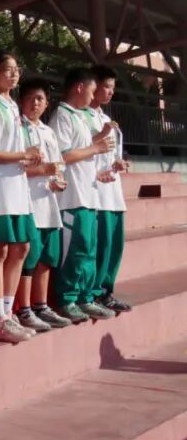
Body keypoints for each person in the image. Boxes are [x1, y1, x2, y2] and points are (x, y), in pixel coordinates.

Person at [0, 51, 38, 343]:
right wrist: (23, 154)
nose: (13, 74)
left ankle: (7, 311)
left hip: (17, 186)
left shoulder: (12, 105)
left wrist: (26, 159)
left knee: (22, 248)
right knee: (0, 250)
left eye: (16, 69)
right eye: (6, 70)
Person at [50, 67, 118, 322]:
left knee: (89, 249)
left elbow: (84, 150)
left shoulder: (78, 116)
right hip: (71, 197)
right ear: (79, 87)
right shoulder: (62, 116)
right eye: (91, 89)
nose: (93, 95)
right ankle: (67, 299)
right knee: (75, 249)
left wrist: (98, 165)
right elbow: (62, 155)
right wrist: (95, 147)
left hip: (88, 195)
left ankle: (85, 297)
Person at [16, 78, 72, 331]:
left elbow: (57, 165)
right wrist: (42, 171)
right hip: (28, 201)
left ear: (47, 103)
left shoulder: (48, 132)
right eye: (30, 98)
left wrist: (57, 180)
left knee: (47, 256)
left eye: (40, 99)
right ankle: (24, 309)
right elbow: (16, 168)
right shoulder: (18, 129)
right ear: (21, 101)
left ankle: (41, 306)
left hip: (49, 202)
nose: (35, 103)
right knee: (30, 257)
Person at [87, 65, 132, 313]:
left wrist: (118, 162)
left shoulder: (106, 119)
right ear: (92, 86)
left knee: (115, 244)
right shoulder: (81, 117)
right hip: (94, 192)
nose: (110, 92)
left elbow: (111, 153)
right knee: (100, 244)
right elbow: (77, 150)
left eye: (113, 87)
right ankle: (93, 292)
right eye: (106, 86)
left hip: (113, 192)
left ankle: (107, 291)